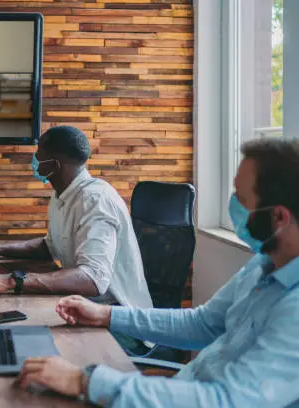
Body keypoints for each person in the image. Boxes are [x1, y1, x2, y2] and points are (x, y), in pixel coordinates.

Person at [16, 138, 299, 408]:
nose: (232, 205)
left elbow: (226, 401)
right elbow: (201, 324)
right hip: (182, 388)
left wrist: (84, 381)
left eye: (241, 198)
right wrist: (105, 315)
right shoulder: (262, 265)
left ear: (278, 217)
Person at [0, 125, 152, 309]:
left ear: (55, 164)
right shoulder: (63, 194)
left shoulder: (94, 200)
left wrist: (9, 281)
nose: (34, 159)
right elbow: (51, 247)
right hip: (82, 304)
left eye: (39, 154)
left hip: (114, 314)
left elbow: (93, 279)